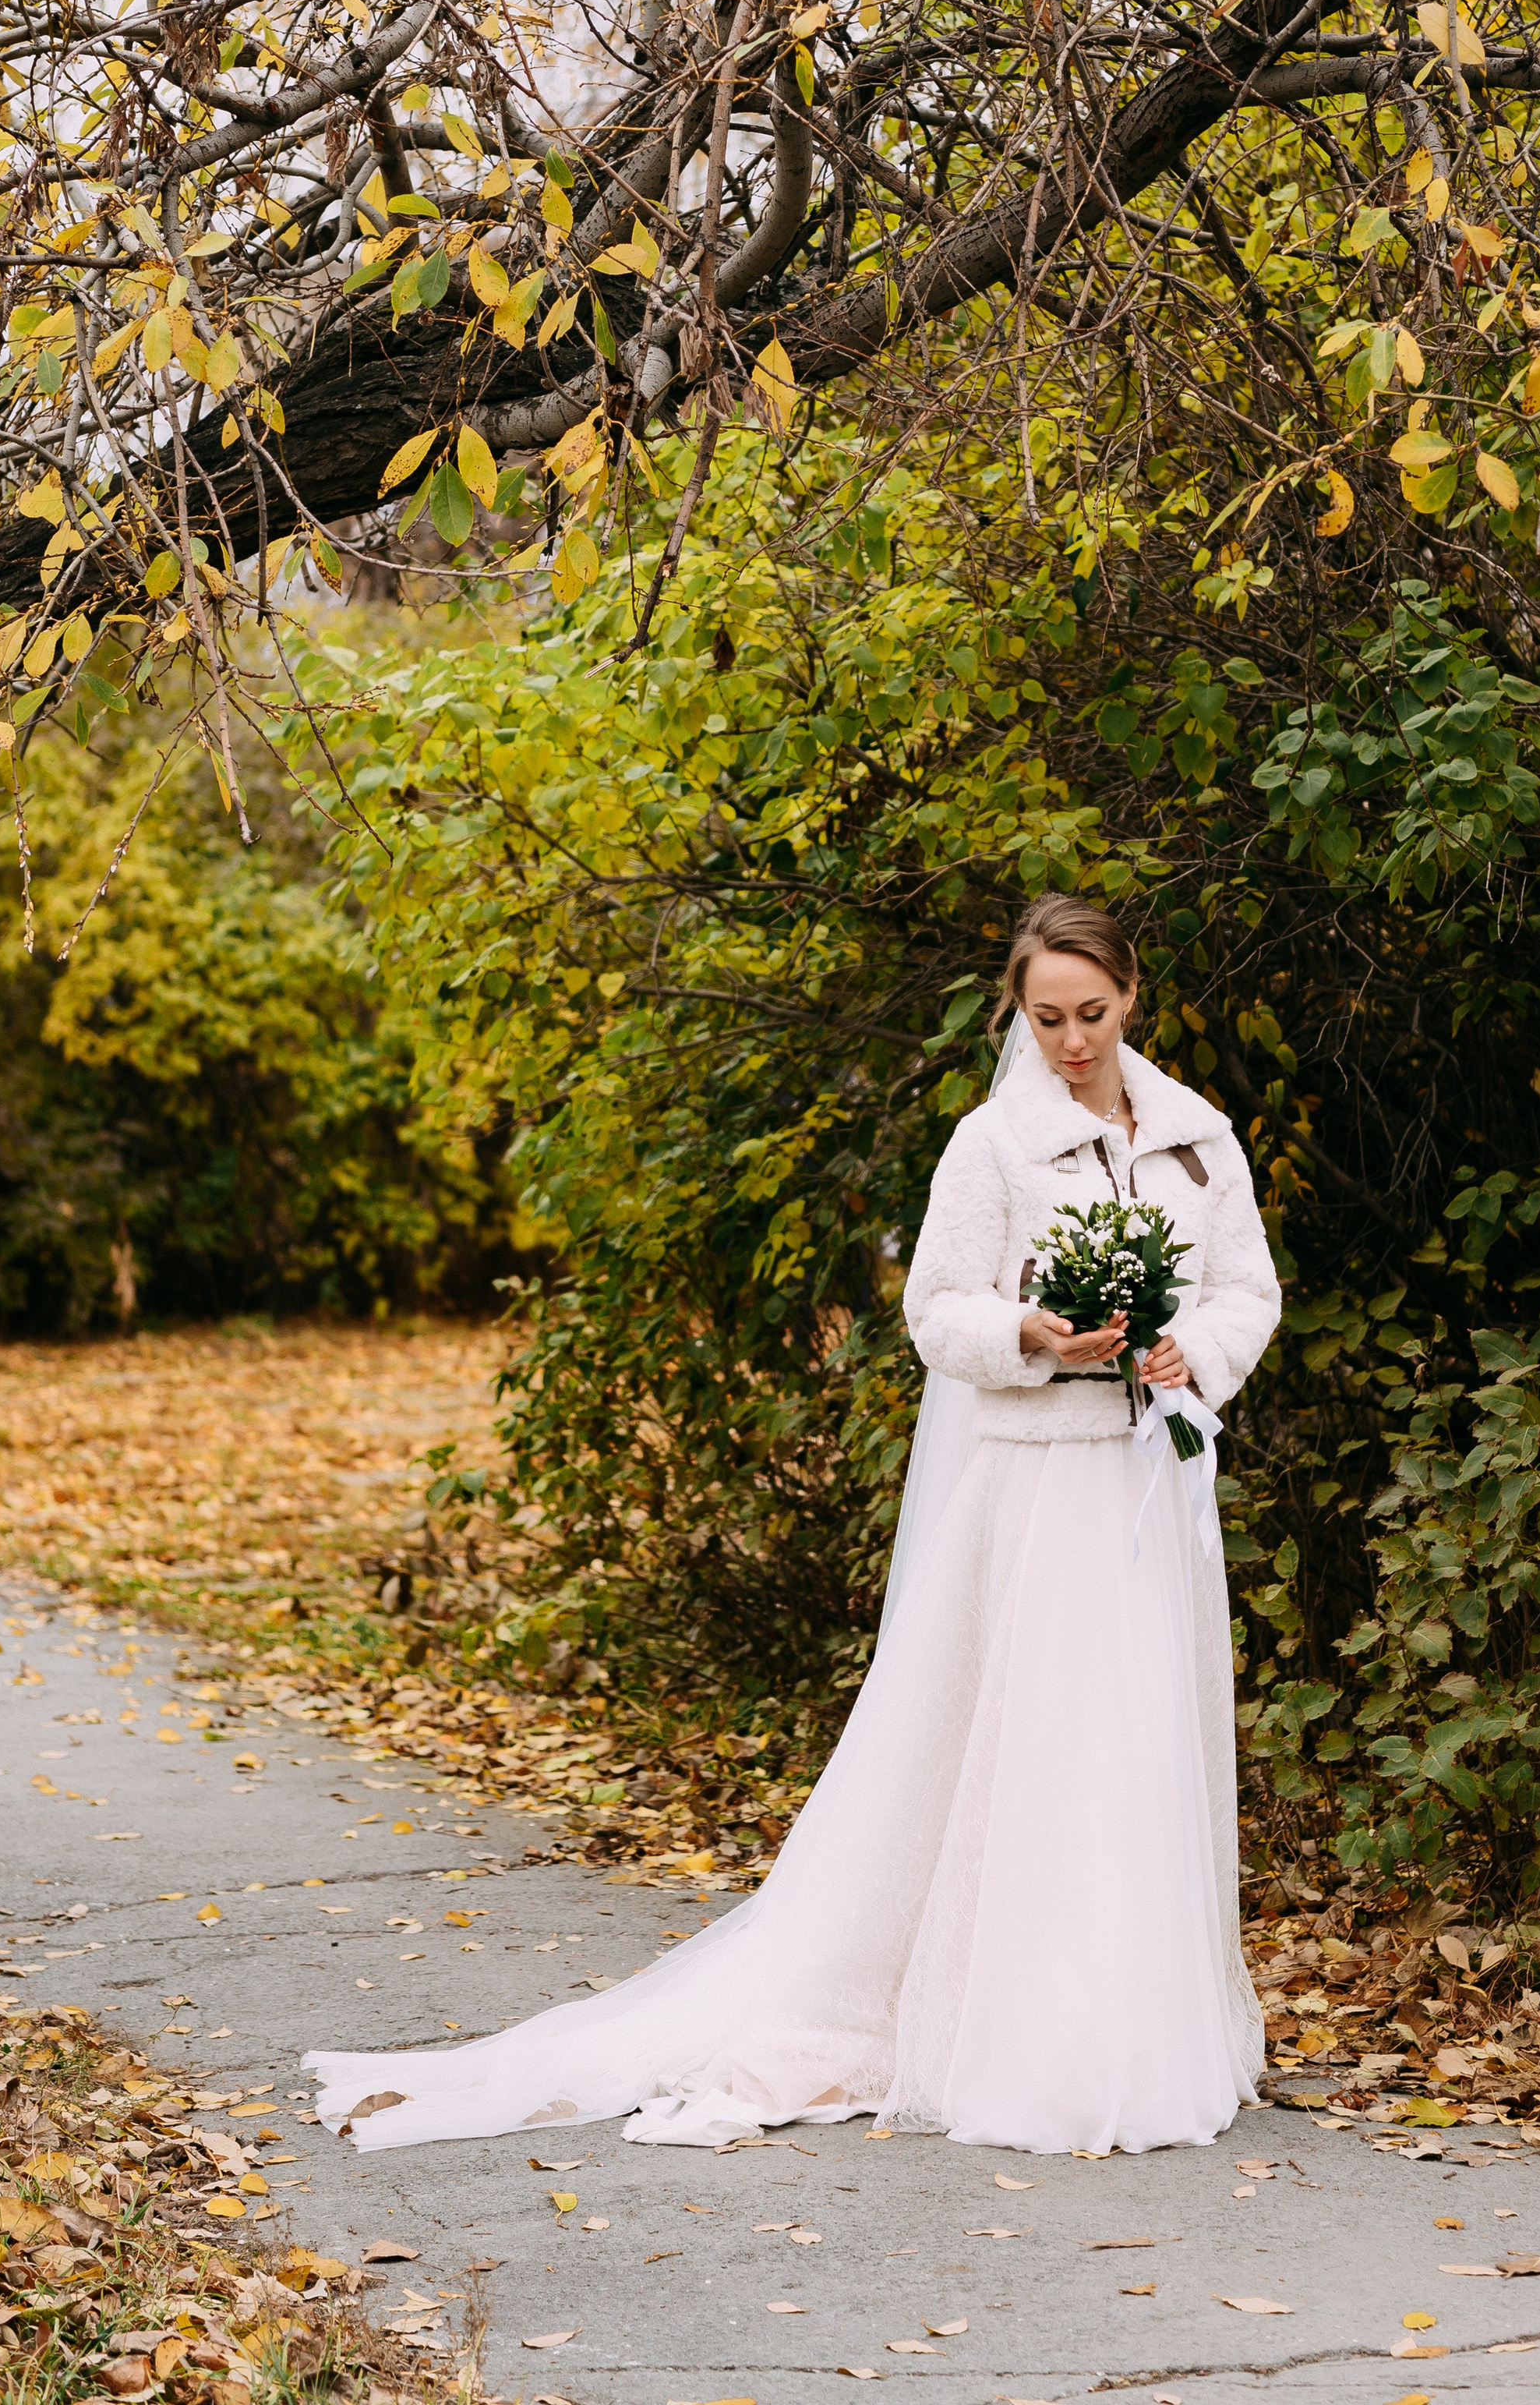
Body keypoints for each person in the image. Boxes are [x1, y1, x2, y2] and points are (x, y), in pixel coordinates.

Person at [304, 896, 1281, 2158]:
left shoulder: (1199, 1141)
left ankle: (1143, 2026)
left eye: (1092, 1015)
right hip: (1036, 1489)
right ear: (1016, 1009)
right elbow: (936, 1310)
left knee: (1139, 1750)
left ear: (1133, 997)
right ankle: (1027, 2035)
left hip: (1152, 1483)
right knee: (1041, 1753)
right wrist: (1032, 1336)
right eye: (1046, 1018)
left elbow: (1247, 1288)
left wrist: (1187, 1350)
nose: (1072, 1041)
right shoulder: (992, 1146)